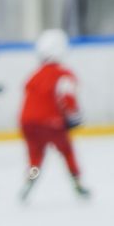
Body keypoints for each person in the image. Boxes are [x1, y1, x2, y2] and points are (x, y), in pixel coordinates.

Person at [21, 28, 90, 202]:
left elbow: (28, 93)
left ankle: (31, 178)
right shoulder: (63, 73)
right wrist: (74, 116)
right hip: (51, 123)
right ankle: (77, 183)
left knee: (35, 156)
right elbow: (67, 97)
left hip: (28, 123)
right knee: (67, 152)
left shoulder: (35, 75)